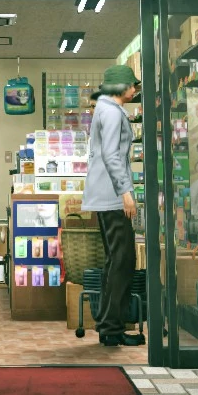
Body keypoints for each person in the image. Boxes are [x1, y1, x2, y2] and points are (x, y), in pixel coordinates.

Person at [81, 64, 143, 347]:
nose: (134, 89)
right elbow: (111, 155)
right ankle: (111, 327)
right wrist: (125, 192)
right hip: (111, 195)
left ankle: (109, 326)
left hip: (107, 194)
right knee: (123, 260)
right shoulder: (111, 111)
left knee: (116, 260)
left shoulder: (106, 109)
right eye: (132, 85)